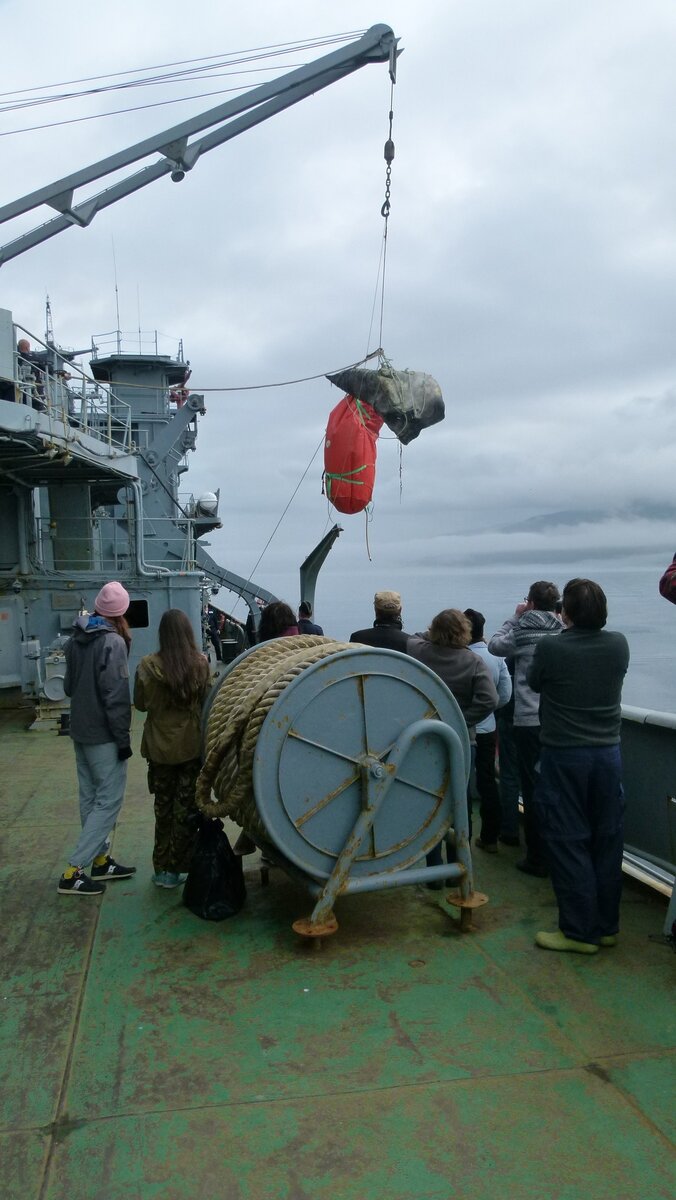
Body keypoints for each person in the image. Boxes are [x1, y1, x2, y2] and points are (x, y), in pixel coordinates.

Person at [528, 578, 630, 954]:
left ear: (563, 612)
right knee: (608, 838)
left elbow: (534, 682)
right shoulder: (619, 644)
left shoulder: (552, 646)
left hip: (564, 754)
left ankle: (577, 931)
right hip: (608, 754)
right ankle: (606, 926)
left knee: (568, 839)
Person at [407, 609, 499, 881]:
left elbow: (413, 637)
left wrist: (432, 634)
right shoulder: (473, 662)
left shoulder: (421, 652)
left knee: (430, 803)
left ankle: (434, 870)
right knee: (461, 802)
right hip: (461, 740)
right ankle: (458, 867)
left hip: (427, 739)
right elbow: (490, 700)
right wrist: (462, 720)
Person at [59, 581, 135, 896]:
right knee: (108, 801)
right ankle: (73, 871)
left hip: (80, 730)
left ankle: (101, 860)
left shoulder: (74, 641)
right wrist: (123, 740)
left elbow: (66, 688)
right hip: (104, 735)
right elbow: (116, 697)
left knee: (90, 798)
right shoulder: (113, 643)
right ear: (122, 612)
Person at [488, 581, 562, 876]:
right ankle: (555, 849)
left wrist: (515, 616)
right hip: (556, 720)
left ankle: (536, 856)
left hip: (526, 720)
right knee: (555, 787)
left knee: (530, 788)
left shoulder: (520, 630)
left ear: (530, 602)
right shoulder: (561, 630)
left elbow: (494, 644)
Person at [134, 609, 211, 888]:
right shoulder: (200, 664)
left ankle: (163, 870)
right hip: (190, 746)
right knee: (185, 809)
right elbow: (208, 704)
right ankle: (182, 866)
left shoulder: (145, 666)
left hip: (158, 748)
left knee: (162, 808)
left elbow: (141, 704)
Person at [464, 608, 512, 852]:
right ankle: (490, 836)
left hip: (463, 730)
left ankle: (462, 839)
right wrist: (489, 712)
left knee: (459, 784)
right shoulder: (496, 657)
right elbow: (504, 695)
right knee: (487, 782)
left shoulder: (460, 657)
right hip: (488, 728)